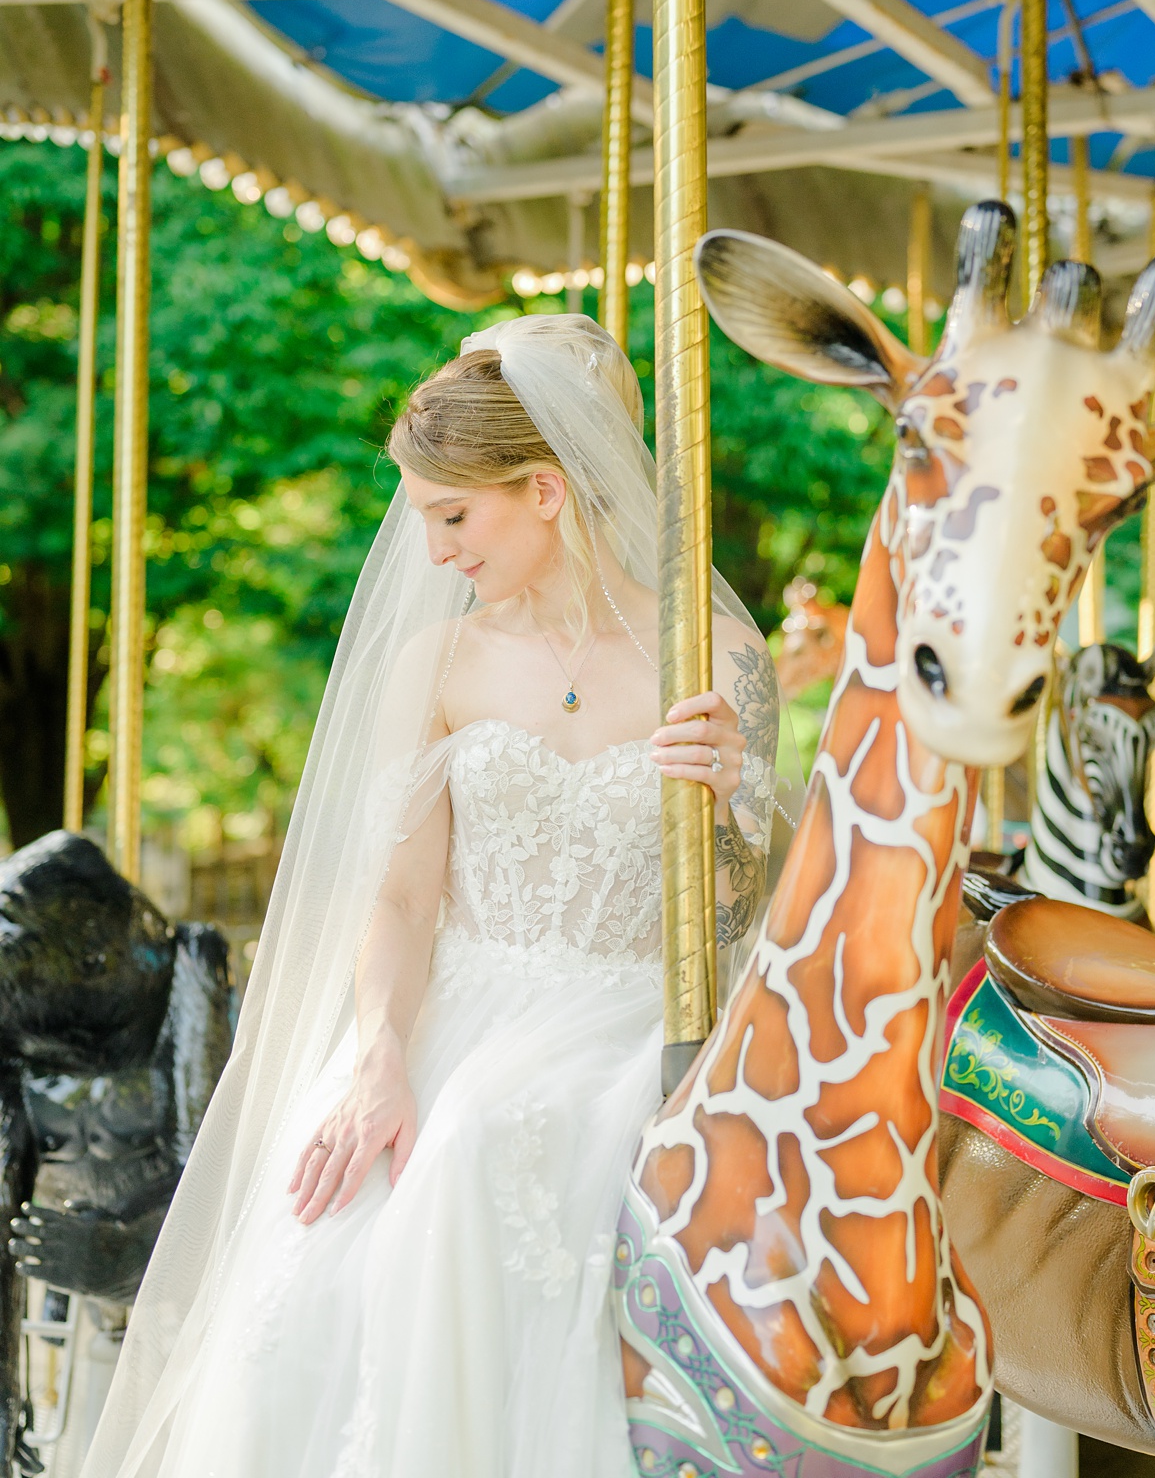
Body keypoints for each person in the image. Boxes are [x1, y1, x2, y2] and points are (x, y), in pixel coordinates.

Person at [88, 315, 781, 1477]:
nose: (434, 550)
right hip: (455, 1006)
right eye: (423, 518)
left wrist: (728, 799)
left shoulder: (709, 655)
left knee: (481, 1142)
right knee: (333, 1234)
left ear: (548, 491)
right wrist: (378, 1053)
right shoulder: (440, 667)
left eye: (454, 516)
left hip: (633, 1018)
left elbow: (737, 920)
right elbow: (403, 901)